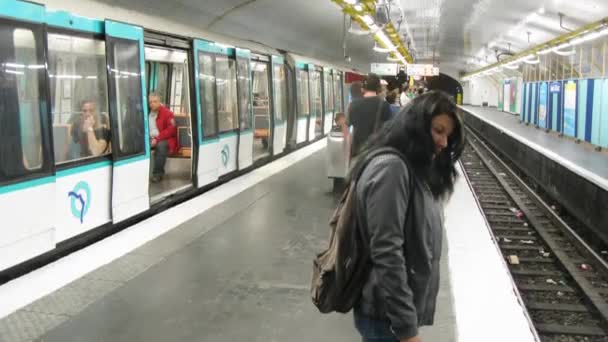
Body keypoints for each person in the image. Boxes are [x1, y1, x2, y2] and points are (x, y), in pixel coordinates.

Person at [350, 91, 465, 342]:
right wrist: (406, 330)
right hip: (386, 317)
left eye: (448, 135)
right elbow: (386, 251)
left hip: (392, 314)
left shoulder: (411, 167)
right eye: (438, 131)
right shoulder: (392, 169)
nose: (444, 142)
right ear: (416, 127)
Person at [347, 73, 392, 158]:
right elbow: (388, 130)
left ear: (363, 88)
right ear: (378, 88)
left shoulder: (353, 105)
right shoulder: (384, 105)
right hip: (376, 152)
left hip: (357, 150)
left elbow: (350, 129)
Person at [149, 92, 178, 183]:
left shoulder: (168, 113)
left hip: (166, 140)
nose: (152, 104)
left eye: (155, 101)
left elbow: (171, 130)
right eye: (150, 102)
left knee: (160, 146)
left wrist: (157, 139)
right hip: (151, 138)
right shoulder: (148, 114)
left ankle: (158, 174)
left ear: (159, 102)